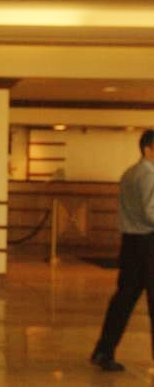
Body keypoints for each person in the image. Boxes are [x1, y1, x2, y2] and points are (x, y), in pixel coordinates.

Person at [91, 129, 154, 372]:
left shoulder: (129, 173)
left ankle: (103, 351)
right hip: (148, 244)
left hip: (131, 244)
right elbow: (150, 213)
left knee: (123, 300)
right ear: (148, 149)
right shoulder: (149, 176)